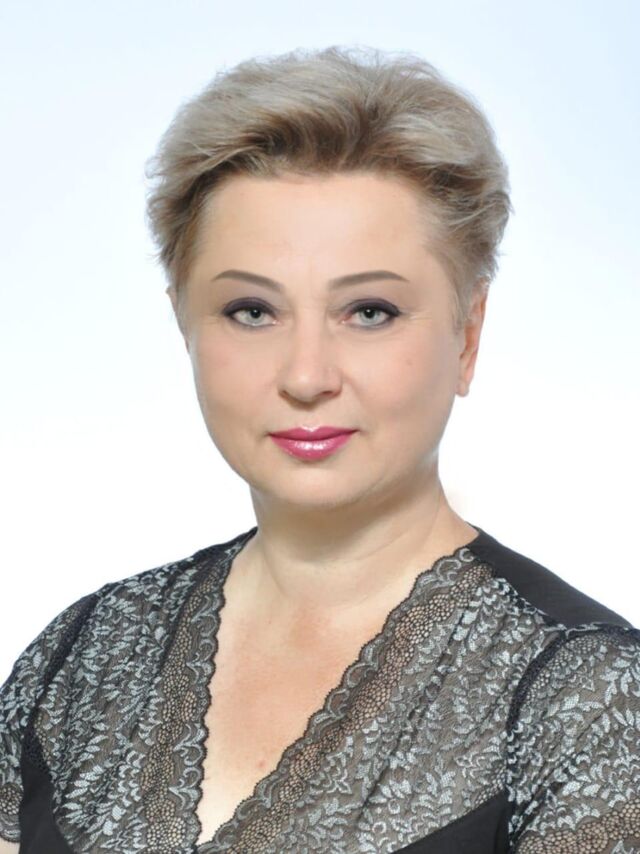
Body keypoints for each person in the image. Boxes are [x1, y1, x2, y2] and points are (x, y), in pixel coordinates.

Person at [1, 44, 638, 854]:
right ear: (185, 326)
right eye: (251, 311)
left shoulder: (588, 696)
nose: (306, 376)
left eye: (369, 312)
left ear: (468, 335)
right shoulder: (83, 656)